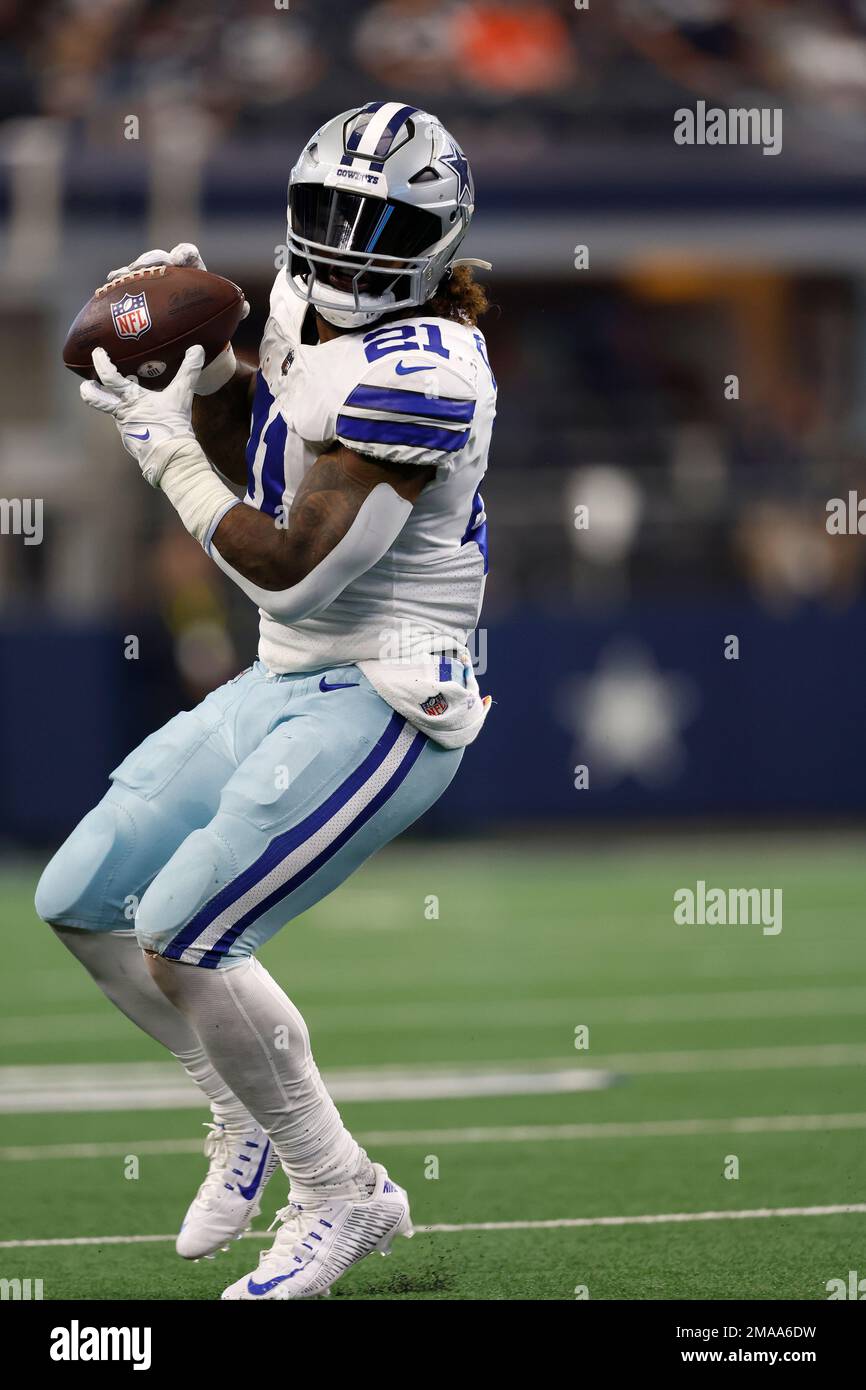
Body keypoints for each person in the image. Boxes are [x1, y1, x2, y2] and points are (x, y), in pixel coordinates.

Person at [35, 100, 496, 1301]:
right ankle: (238, 1105)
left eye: (378, 219)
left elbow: (294, 556)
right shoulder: (293, 298)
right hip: (291, 668)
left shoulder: (429, 372)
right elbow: (270, 442)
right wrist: (200, 374)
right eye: (330, 210)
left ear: (433, 237)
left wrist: (163, 448)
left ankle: (341, 1190)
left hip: (392, 690)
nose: (344, 241)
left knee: (186, 927)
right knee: (80, 896)